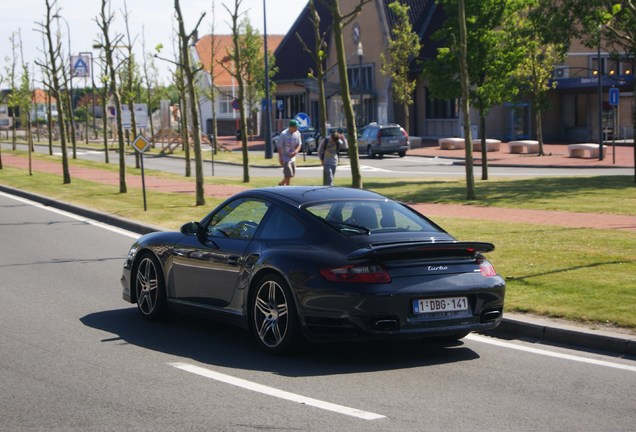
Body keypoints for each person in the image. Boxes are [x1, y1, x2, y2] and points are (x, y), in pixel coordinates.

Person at [276, 119, 302, 186]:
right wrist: (280, 158)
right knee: (288, 174)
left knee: (292, 175)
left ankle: (281, 183)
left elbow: (299, 144)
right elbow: (279, 146)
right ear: (291, 127)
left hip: (292, 157)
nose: (297, 128)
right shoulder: (283, 134)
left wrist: (295, 152)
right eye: (296, 127)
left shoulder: (297, 133)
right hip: (285, 157)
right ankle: (287, 187)